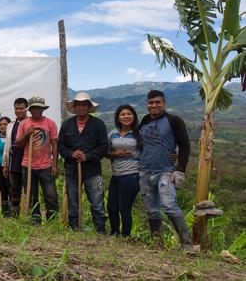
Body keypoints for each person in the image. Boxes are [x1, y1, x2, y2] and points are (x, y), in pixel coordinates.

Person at [138, 90, 194, 253]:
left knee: (169, 205)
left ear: (164, 103)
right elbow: (142, 144)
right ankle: (157, 243)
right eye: (151, 103)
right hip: (145, 172)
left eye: (157, 102)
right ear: (147, 104)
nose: (154, 105)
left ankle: (186, 244)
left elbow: (185, 145)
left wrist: (180, 169)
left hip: (166, 172)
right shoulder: (145, 121)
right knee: (151, 209)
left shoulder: (173, 120)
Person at [58, 92, 108, 233]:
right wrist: (71, 154)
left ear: (88, 107)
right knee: (73, 202)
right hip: (72, 170)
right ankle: (75, 230)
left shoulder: (98, 124)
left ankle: (100, 231)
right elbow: (61, 145)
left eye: (84, 105)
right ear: (74, 107)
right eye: (78, 105)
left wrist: (88, 156)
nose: (81, 107)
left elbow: (104, 146)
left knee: (97, 203)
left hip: (93, 171)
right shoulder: (67, 125)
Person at [15, 96, 58, 223]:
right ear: (30, 110)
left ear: (43, 109)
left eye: (39, 108)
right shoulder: (24, 124)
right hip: (28, 166)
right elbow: (18, 143)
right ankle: (35, 220)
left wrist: (54, 165)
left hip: (45, 166)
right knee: (32, 196)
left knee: (51, 196)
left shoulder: (50, 123)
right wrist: (27, 133)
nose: (36, 111)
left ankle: (52, 221)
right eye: (34, 108)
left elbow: (55, 144)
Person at [105, 105, 141, 237]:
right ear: (118, 118)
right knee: (111, 207)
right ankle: (114, 233)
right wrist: (117, 154)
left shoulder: (139, 133)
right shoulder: (113, 134)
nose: (126, 116)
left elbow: (148, 152)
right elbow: (106, 152)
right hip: (116, 175)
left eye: (129, 114)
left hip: (132, 174)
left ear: (134, 116)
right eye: (123, 114)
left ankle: (125, 236)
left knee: (124, 207)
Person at [2, 98, 28, 217]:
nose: (19, 110)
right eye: (17, 108)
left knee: (29, 190)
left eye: (21, 108)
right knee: (15, 190)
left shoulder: (31, 123)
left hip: (28, 163)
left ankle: (31, 216)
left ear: (26, 109)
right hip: (14, 162)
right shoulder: (11, 125)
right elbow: (7, 146)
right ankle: (15, 216)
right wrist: (5, 164)